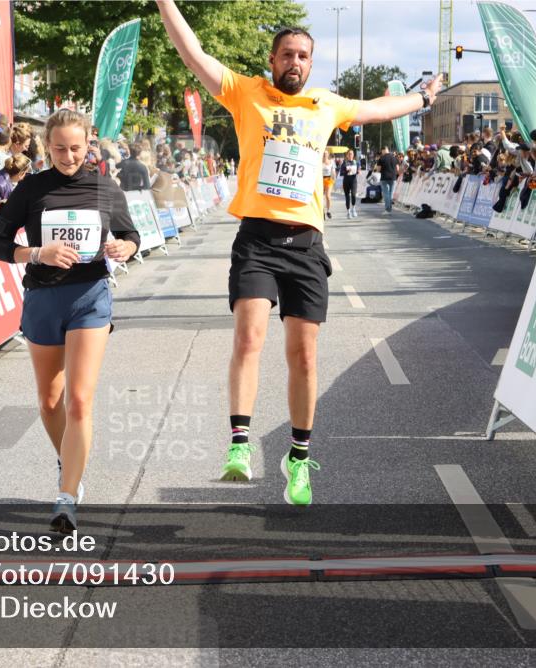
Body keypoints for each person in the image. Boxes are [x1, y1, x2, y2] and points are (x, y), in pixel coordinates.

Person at [157, 0, 442, 504]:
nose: (295, 62)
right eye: (287, 54)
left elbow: (377, 108)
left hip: (306, 246)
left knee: (304, 356)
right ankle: (239, 444)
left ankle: (299, 458)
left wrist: (423, 98)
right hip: (257, 240)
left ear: (311, 64)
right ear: (272, 60)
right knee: (249, 338)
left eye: (303, 56)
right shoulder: (245, 92)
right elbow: (193, 53)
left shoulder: (326, 104)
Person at [0, 108, 140, 531]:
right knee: (50, 402)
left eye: (76, 148)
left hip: (90, 297)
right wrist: (38, 253)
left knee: (79, 401)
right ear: (46, 146)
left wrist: (125, 248)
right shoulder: (31, 188)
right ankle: (68, 460)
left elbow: (131, 235)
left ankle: (66, 497)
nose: (69, 157)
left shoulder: (105, 188)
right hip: (43, 298)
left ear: (89, 143)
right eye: (59, 149)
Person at [376, 146, 400, 213]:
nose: (381, 153)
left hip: (384, 177)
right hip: (393, 178)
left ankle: (387, 209)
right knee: (391, 194)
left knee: (386, 194)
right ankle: (389, 208)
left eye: (381, 151)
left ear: (383, 150)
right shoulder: (394, 158)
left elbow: (378, 170)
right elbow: (398, 169)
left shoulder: (381, 159)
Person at [340, 149, 359, 218]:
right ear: (347, 155)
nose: (351, 155)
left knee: (353, 195)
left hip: (353, 181)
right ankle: (348, 212)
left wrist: (358, 171)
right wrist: (347, 171)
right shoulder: (344, 163)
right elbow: (341, 173)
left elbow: (358, 170)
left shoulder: (356, 162)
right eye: (349, 154)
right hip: (346, 181)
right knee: (347, 196)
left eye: (352, 154)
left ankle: (353, 209)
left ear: (353, 155)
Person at [321, 150, 335, 219]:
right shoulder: (320, 162)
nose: (325, 155)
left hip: (329, 179)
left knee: (327, 195)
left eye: (326, 153)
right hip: (321, 180)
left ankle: (328, 211)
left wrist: (334, 178)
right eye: (324, 153)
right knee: (321, 197)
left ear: (328, 154)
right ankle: (322, 211)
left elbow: (333, 172)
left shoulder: (331, 162)